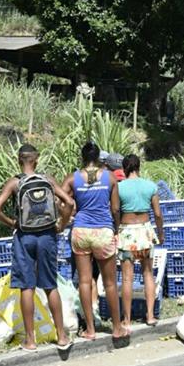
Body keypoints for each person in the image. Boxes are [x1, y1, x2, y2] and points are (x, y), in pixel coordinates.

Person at [0, 144, 74, 351]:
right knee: (50, 285)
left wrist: (12, 223)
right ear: (36, 160)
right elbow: (69, 203)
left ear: (19, 160)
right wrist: (60, 226)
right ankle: (62, 336)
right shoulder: (48, 180)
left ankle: (30, 340)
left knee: (26, 287)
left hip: (24, 237)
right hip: (47, 236)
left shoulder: (15, 183)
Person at [63, 142, 124, 340]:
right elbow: (115, 208)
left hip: (80, 231)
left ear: (82, 157)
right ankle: (116, 328)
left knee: (84, 281)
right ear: (99, 158)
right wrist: (115, 228)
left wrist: (64, 219)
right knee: (110, 283)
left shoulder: (72, 178)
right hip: (103, 231)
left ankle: (90, 329)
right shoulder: (110, 177)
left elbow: (62, 201)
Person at [118, 154, 165, 329]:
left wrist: (115, 230)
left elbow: (115, 210)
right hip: (145, 232)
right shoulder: (150, 186)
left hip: (127, 233)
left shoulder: (119, 187)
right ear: (139, 167)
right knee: (148, 274)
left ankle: (127, 319)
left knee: (127, 278)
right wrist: (160, 233)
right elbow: (158, 214)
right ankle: (150, 315)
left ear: (124, 169)